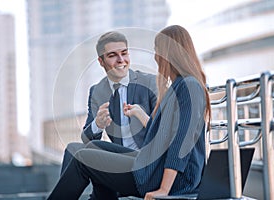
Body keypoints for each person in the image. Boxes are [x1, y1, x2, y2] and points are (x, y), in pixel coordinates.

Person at [47, 25, 211, 200]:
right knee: (91, 146)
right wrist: (100, 123)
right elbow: (163, 135)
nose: (155, 57)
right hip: (151, 163)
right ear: (101, 61)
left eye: (157, 51)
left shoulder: (188, 86)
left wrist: (163, 189)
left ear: (168, 54)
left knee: (82, 159)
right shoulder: (178, 86)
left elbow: (181, 143)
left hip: (170, 178)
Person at [60, 32, 157, 174]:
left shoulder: (150, 83)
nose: (121, 60)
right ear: (101, 61)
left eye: (124, 53)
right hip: (119, 159)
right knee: (73, 149)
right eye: (112, 56)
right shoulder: (97, 91)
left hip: (146, 160)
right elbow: (86, 139)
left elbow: (163, 133)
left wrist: (141, 115)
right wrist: (97, 125)